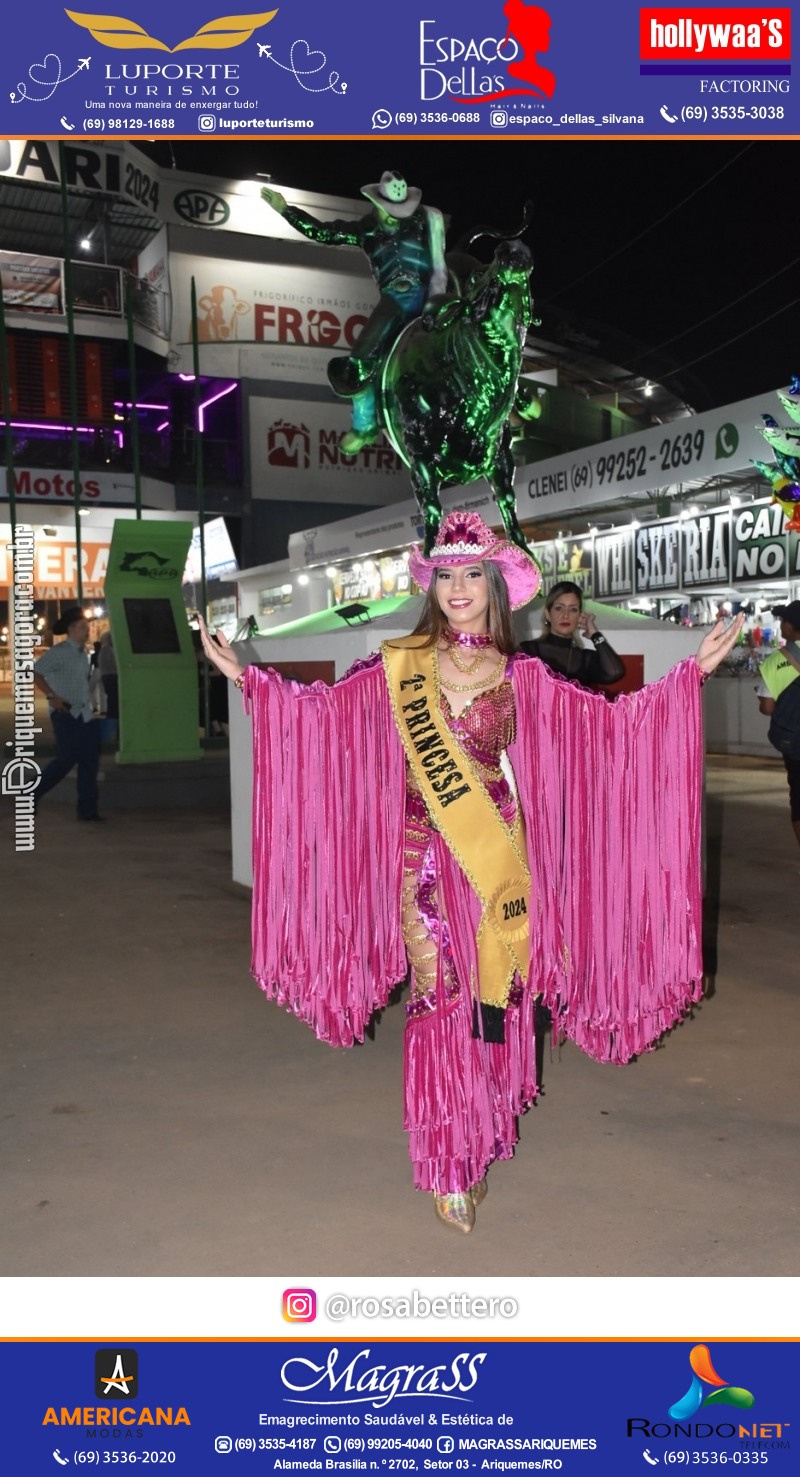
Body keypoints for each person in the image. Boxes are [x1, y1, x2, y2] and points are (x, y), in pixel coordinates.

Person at [198, 510, 741, 1234]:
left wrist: (689, 675)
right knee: (439, 995)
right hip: (420, 862)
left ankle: (481, 1125)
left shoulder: (524, 674)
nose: (457, 588)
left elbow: (609, 731)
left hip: (498, 865)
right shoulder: (398, 664)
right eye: (445, 576)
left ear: (494, 586)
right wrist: (250, 679)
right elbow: (324, 717)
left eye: (470, 575)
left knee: (496, 995)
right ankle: (447, 1159)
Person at [261, 170, 447, 455]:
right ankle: (364, 425)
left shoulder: (425, 219)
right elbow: (325, 232)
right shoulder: (366, 229)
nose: (395, 216)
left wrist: (437, 301)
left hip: (427, 294)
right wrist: (287, 211)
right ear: (378, 204)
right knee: (359, 360)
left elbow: (438, 263)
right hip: (395, 300)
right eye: (390, 211)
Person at [33, 607, 104, 822]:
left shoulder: (82, 654)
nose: (87, 631)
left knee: (89, 762)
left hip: (83, 715)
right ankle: (30, 794)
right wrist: (52, 696)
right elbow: (35, 673)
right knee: (65, 760)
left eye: (87, 627)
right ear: (71, 629)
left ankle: (87, 810)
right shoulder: (60, 651)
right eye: (83, 627)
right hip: (65, 713)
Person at [755, 600, 800, 850]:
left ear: (792, 628)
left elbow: (767, 708)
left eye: (784, 621)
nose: (781, 624)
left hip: (796, 744)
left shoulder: (775, 662)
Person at [520, 580, 625, 687]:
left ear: (579, 616)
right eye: (559, 608)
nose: (566, 615)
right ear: (548, 614)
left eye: (573, 609)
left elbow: (615, 672)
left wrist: (594, 634)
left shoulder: (585, 659)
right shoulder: (528, 651)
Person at [97, 630, 118, 722]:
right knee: (113, 698)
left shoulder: (105, 650)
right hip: (111, 676)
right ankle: (112, 717)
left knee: (112, 698)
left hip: (107, 676)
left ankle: (112, 716)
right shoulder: (107, 649)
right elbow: (111, 663)